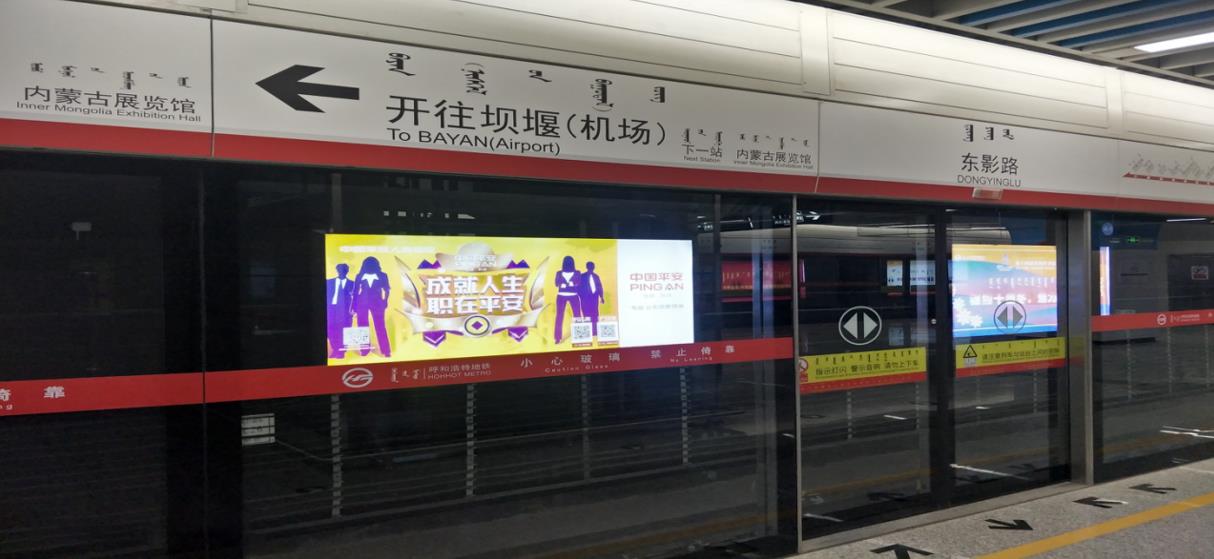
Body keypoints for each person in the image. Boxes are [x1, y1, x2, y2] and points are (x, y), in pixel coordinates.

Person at [352, 256, 391, 358]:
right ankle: (365, 350)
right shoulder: (359, 276)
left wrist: (385, 301)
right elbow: (355, 291)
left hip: (376, 303)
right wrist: (353, 306)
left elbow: (387, 289)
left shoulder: (383, 275)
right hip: (362, 303)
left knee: (380, 326)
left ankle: (386, 350)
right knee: (363, 327)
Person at [325, 263, 355, 358]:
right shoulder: (328, 282)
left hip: (346, 310)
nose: (342, 272)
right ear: (337, 270)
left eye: (344, 270)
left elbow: (356, 298)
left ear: (347, 271)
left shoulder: (353, 284)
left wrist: (354, 309)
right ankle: (335, 349)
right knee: (331, 329)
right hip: (331, 308)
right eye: (340, 270)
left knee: (344, 330)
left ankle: (341, 351)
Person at [553, 255, 581, 344]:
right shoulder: (559, 273)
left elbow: (579, 283)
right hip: (561, 296)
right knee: (559, 316)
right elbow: (556, 283)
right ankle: (557, 337)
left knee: (577, 315)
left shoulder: (577, 272)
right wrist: (561, 284)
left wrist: (573, 284)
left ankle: (579, 335)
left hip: (574, 295)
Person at [579, 261, 606, 337]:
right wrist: (581, 295)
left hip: (594, 297)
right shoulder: (582, 276)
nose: (591, 268)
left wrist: (601, 297)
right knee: (586, 313)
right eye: (590, 266)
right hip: (585, 298)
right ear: (587, 267)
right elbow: (578, 287)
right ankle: (588, 331)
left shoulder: (596, 276)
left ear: (594, 267)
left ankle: (595, 331)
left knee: (595, 313)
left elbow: (599, 287)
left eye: (592, 266)